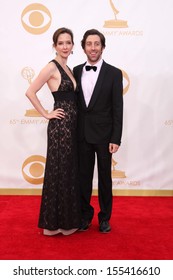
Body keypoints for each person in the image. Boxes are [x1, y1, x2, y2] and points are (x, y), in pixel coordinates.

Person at [25, 27, 81, 236]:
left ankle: (66, 221)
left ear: (73, 46)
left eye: (68, 42)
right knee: (59, 171)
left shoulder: (69, 68)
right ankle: (53, 224)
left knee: (67, 172)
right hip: (60, 128)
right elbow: (30, 92)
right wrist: (46, 114)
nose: (65, 46)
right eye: (61, 43)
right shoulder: (51, 67)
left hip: (72, 127)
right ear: (54, 46)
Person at [73, 29, 123, 233]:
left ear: (103, 47)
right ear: (84, 47)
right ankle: (85, 216)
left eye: (97, 44)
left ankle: (105, 218)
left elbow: (118, 108)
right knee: (83, 178)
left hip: (104, 136)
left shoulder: (114, 73)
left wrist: (116, 138)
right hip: (82, 134)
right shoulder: (75, 70)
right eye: (89, 44)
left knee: (104, 178)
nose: (93, 48)